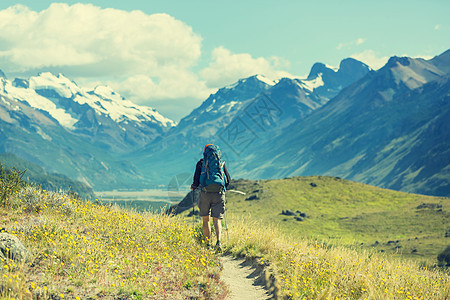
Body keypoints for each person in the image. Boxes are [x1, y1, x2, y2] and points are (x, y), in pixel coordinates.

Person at [191, 144, 231, 251]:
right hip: (218, 193)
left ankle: (208, 244)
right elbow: (228, 180)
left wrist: (194, 187)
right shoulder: (221, 163)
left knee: (205, 220)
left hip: (205, 193)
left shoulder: (201, 163)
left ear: (204, 153)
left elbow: (196, 181)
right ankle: (218, 242)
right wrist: (222, 189)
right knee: (217, 220)